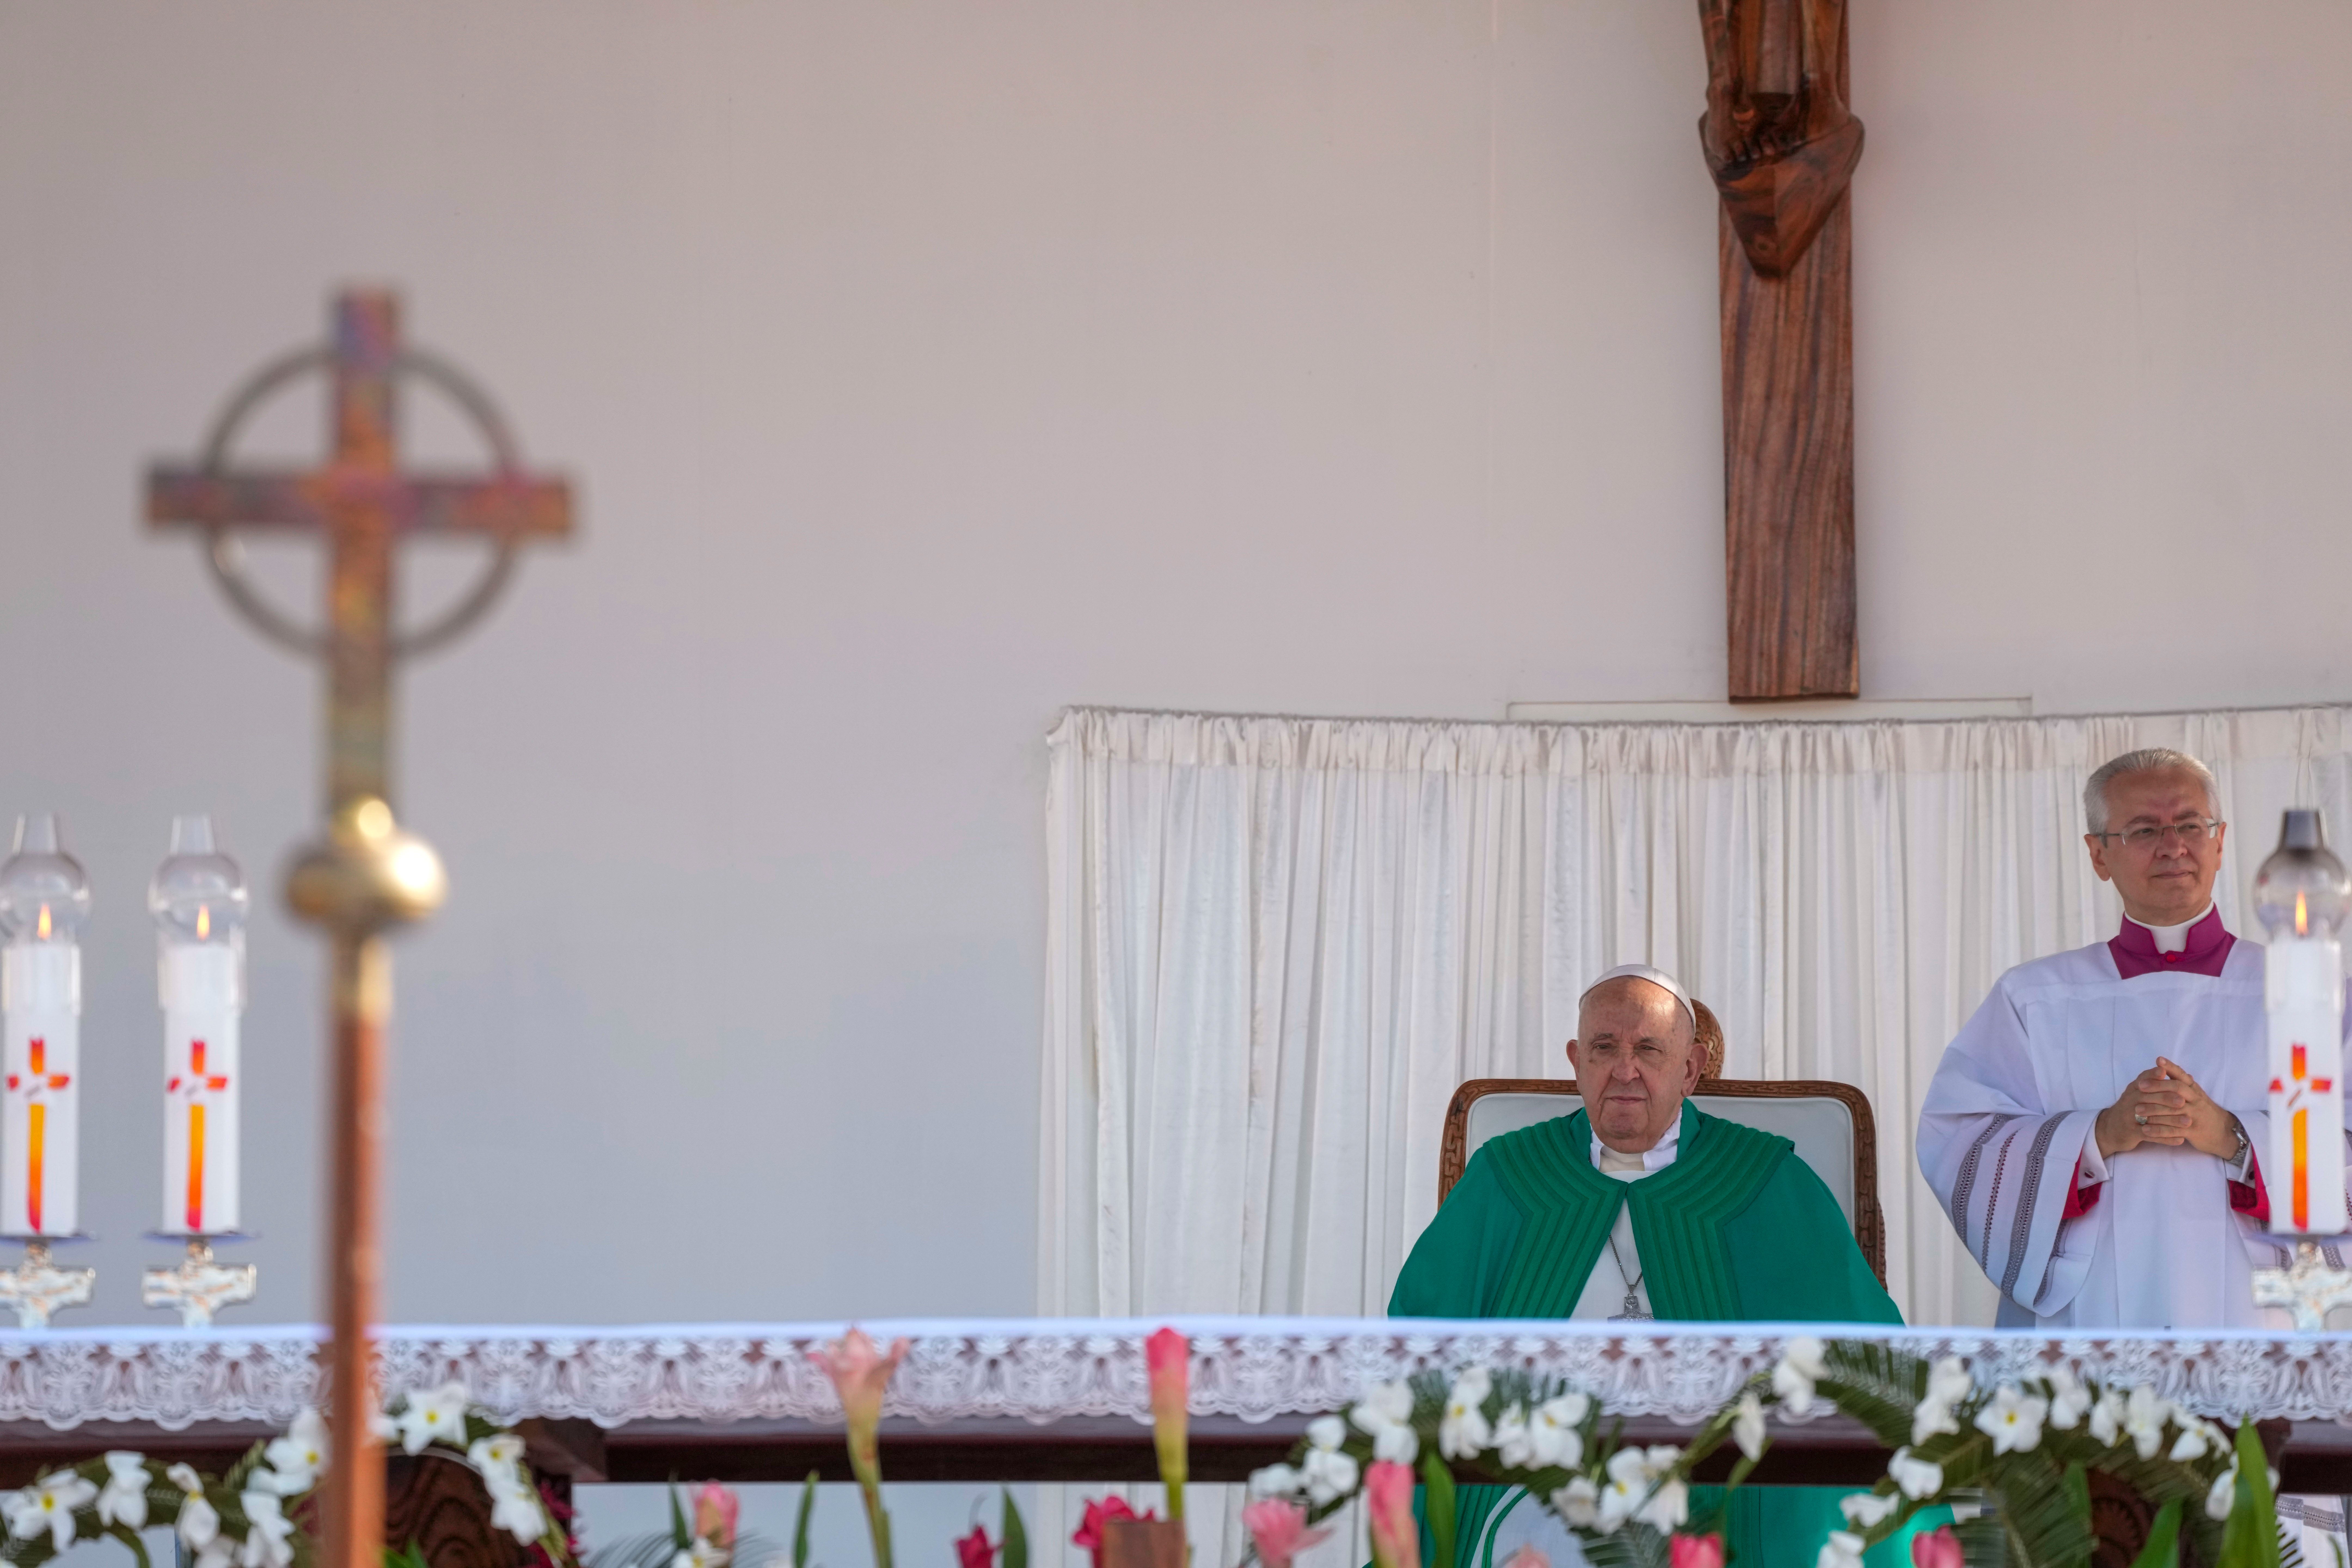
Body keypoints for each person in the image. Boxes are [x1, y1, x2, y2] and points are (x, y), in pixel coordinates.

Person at [1917, 747, 2350, 1553]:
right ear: (2098, 854)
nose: (2172, 845)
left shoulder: (2308, 995)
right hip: (2085, 1344)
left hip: (2257, 1333)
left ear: (2221, 841)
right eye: (2144, 829)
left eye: (2190, 825)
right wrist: (2098, 1135)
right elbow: (1961, 1142)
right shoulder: (2035, 999)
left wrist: (2232, 1136)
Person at [1390, 963, 1909, 1568]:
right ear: (1577, 1061)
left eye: (1649, 1050)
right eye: (1604, 1048)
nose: (1625, 1070)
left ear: (1689, 1068)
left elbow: (1859, 1348)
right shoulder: (1509, 1175)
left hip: (1713, 1467)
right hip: (1543, 1467)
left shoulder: (1764, 1179)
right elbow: (1419, 1340)